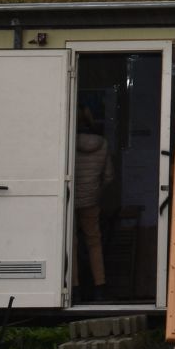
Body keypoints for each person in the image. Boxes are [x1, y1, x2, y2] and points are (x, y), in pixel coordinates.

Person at [72, 110, 112, 304]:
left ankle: (74, 287)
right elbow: (109, 176)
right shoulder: (103, 144)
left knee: (70, 243)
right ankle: (100, 287)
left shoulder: (68, 142)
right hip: (91, 201)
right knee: (94, 242)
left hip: (70, 200)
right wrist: (96, 192)